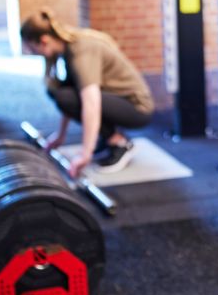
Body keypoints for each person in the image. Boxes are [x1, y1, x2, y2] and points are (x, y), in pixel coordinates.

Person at [20, 9, 155, 177]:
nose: (34, 54)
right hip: (116, 100)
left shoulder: (80, 51)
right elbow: (70, 96)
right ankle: (109, 138)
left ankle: (119, 143)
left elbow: (90, 102)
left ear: (44, 41)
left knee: (67, 97)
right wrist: (60, 136)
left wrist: (86, 153)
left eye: (33, 49)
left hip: (137, 107)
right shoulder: (67, 51)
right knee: (60, 92)